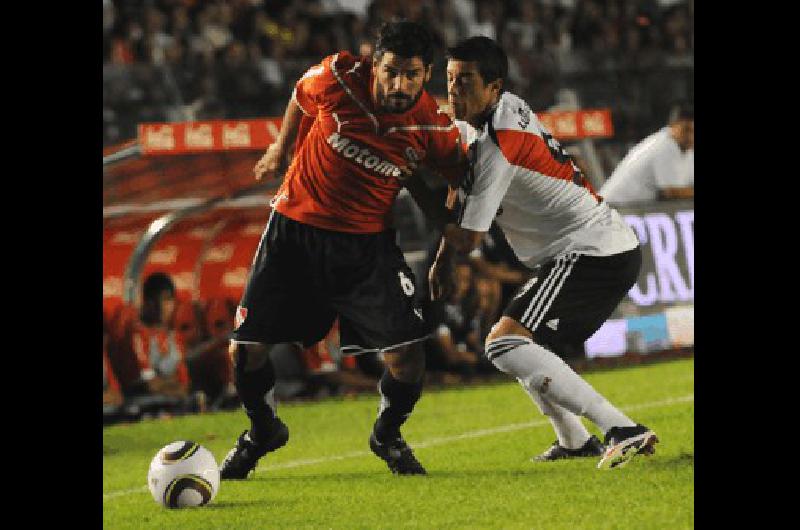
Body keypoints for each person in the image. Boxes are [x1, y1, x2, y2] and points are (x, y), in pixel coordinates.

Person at [219, 20, 465, 479]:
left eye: (412, 75)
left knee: (409, 357)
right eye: (391, 71)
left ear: (427, 73)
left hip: (365, 247)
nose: (399, 84)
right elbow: (299, 94)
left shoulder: (432, 125)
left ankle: (387, 435)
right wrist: (280, 147)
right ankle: (261, 431)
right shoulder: (337, 78)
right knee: (246, 351)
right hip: (294, 231)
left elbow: (458, 180)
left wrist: (446, 252)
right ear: (375, 63)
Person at [418, 36, 658, 469]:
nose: (454, 91)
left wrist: (411, 183)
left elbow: (470, 238)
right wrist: (438, 261)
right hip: (588, 248)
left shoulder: (498, 146)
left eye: (465, 82)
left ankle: (621, 428)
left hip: (592, 252)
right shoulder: (498, 111)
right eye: (450, 80)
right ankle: (573, 441)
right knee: (523, 342)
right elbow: (460, 179)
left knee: (506, 342)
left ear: (494, 87)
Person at [598, 102, 694, 205]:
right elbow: (671, 192)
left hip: (629, 210)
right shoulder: (664, 145)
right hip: (611, 209)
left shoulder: (686, 150)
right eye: (686, 130)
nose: (690, 136)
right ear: (672, 125)